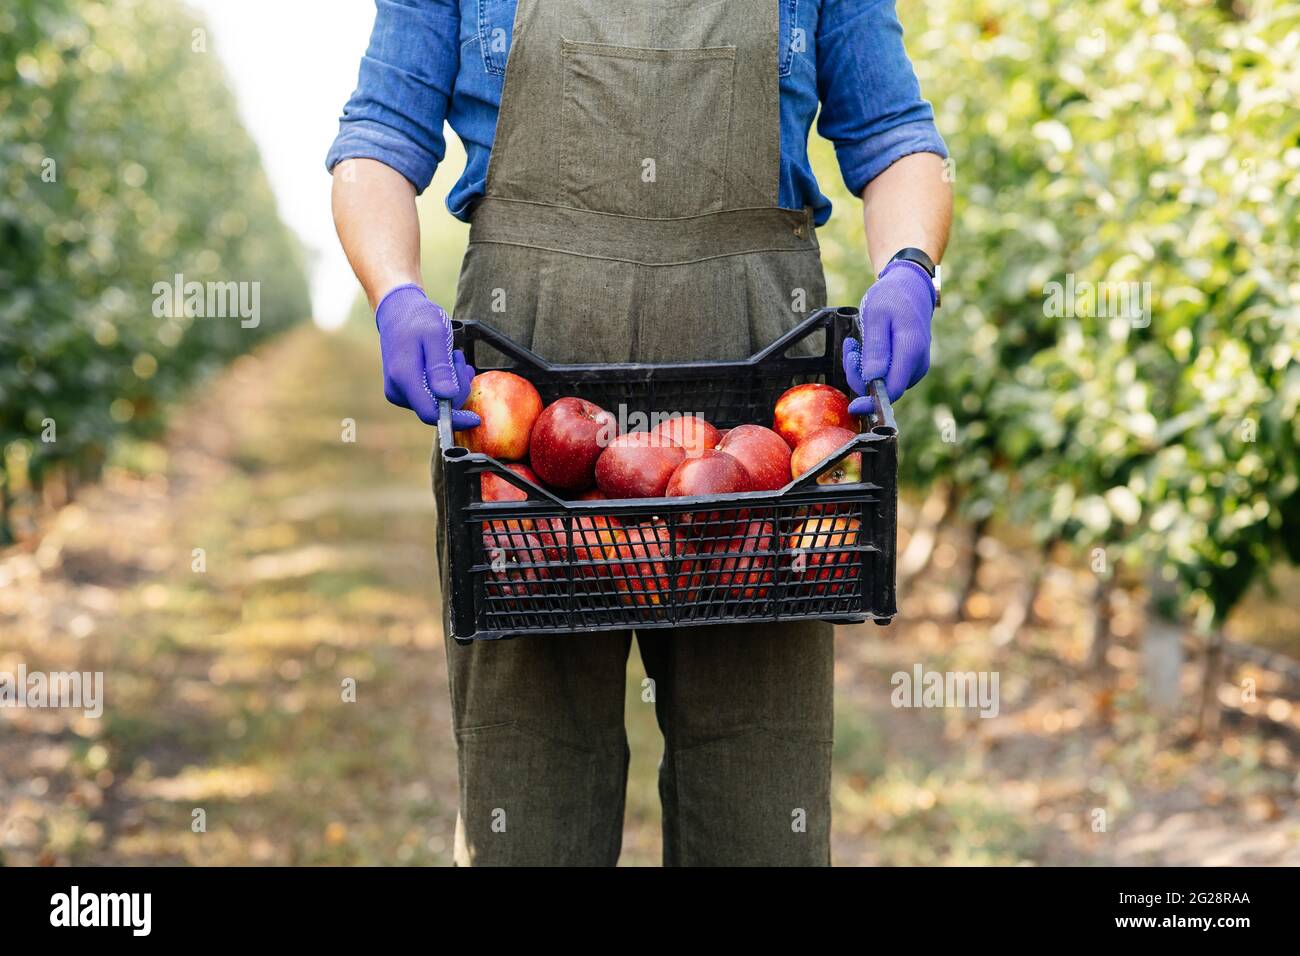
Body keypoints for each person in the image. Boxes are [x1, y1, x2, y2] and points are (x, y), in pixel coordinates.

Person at [328, 0, 951, 866]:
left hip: (752, 413)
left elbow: (893, 135)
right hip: (530, 418)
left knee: (757, 797)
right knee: (528, 788)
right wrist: (394, 290)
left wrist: (910, 269)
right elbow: (377, 138)